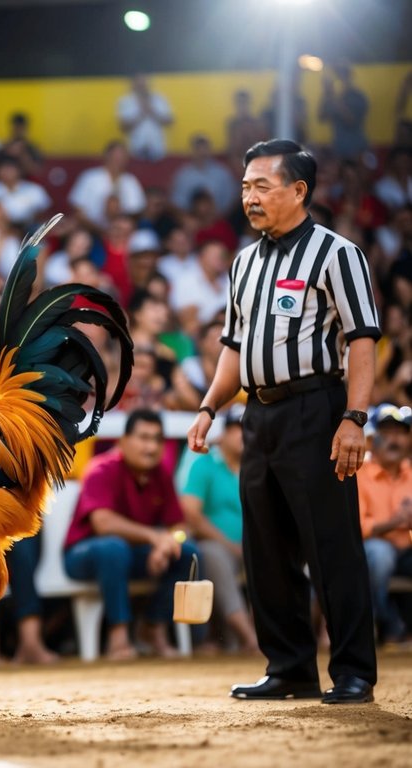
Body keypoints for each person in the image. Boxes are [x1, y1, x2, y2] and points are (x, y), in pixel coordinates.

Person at [188, 139, 381, 704]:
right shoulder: (243, 263)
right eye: (245, 186)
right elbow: (233, 347)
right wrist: (208, 407)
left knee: (331, 545)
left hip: (316, 410)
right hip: (258, 415)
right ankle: (290, 667)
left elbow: (362, 339)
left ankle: (354, 672)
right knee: (266, 548)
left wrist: (354, 417)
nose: (249, 197)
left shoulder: (337, 253)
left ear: (298, 191)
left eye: (262, 186)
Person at [64, 409, 198, 660]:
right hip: (83, 556)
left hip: (134, 554)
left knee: (187, 553)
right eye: (144, 438)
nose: (151, 447)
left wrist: (168, 543)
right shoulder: (101, 468)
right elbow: (102, 523)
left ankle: (153, 626)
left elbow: (181, 527)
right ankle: (118, 637)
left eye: (157, 439)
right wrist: (154, 537)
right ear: (123, 441)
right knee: (113, 548)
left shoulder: (161, 474)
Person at [178, 405, 259, 654]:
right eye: (237, 428)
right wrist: (230, 545)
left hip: (251, 546)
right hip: (216, 545)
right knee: (214, 555)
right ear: (223, 433)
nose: (243, 434)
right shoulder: (204, 463)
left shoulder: (257, 466)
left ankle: (271, 634)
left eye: (248, 428)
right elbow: (191, 514)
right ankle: (249, 639)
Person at [356, 405, 412, 644]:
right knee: (381, 554)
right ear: (372, 439)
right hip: (369, 551)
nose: (395, 440)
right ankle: (384, 625)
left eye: (400, 433)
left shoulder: (410, 472)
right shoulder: (359, 472)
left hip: (406, 550)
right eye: (387, 432)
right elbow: (357, 527)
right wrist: (393, 523)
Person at [68, 141, 146, 228]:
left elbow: (136, 211)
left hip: (124, 231)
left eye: (122, 157)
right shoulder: (90, 177)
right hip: (91, 230)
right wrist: (101, 231)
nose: (118, 160)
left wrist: (119, 224)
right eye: (115, 156)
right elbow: (78, 211)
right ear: (106, 156)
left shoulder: (130, 180)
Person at [170, 134, 238, 215]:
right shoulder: (183, 175)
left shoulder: (222, 172)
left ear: (210, 151)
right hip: (191, 218)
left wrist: (219, 217)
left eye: (205, 149)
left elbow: (231, 199)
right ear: (192, 152)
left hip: (219, 217)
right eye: (198, 149)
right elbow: (178, 203)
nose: (202, 153)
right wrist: (188, 219)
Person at [319, 62, 369, 161]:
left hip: (357, 148)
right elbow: (321, 117)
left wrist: (334, 98)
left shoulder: (358, 97)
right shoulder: (333, 98)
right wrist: (326, 94)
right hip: (338, 149)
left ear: (349, 77)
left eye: (341, 75)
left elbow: (351, 121)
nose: (339, 79)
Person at [117, 74, 173, 161]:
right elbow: (123, 127)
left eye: (144, 84)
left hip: (157, 149)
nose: (142, 87)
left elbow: (169, 122)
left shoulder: (159, 99)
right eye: (139, 84)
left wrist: (152, 112)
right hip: (136, 149)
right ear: (133, 84)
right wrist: (141, 114)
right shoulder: (125, 101)